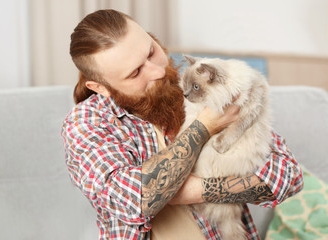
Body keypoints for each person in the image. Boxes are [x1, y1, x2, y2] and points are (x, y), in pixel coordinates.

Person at [61, 9, 303, 240]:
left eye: (151, 52)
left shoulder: (198, 87)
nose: (157, 71)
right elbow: (136, 200)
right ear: (100, 87)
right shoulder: (86, 122)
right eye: (136, 73)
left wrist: (185, 191)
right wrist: (204, 127)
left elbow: (288, 177)